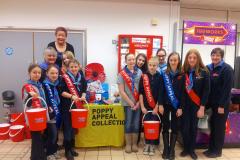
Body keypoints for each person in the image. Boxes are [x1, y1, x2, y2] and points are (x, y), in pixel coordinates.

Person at [203, 48, 234, 158]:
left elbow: (227, 90)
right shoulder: (208, 68)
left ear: (222, 57)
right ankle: (211, 148)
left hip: (221, 105)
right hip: (211, 104)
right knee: (212, 126)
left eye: (217, 56)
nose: (215, 57)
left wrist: (222, 105)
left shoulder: (227, 69)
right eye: (213, 55)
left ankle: (217, 151)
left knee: (219, 128)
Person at [180, 49, 210, 160]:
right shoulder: (183, 72)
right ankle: (186, 148)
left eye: (194, 57)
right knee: (184, 128)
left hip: (196, 106)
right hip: (184, 106)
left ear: (198, 59)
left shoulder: (204, 72)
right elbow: (180, 90)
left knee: (193, 128)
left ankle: (192, 150)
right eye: (190, 57)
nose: (192, 59)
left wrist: (202, 108)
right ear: (187, 59)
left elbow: (206, 91)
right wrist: (180, 106)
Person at [60, 59, 87, 160]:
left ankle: (72, 148)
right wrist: (72, 96)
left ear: (79, 67)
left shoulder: (82, 78)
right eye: (71, 67)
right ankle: (67, 151)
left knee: (74, 128)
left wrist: (83, 96)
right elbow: (61, 92)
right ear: (68, 68)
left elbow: (84, 89)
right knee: (68, 129)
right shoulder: (64, 78)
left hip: (77, 106)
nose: (74, 69)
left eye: (75, 66)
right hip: (67, 106)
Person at [160, 52, 183, 160]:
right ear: (168, 61)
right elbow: (161, 91)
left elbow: (184, 93)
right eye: (171, 60)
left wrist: (180, 107)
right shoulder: (164, 73)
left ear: (178, 61)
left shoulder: (183, 74)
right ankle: (166, 149)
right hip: (165, 104)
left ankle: (172, 150)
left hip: (176, 105)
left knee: (175, 127)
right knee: (165, 126)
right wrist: (160, 104)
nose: (173, 62)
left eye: (175, 60)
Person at [117, 53, 142, 153]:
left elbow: (142, 89)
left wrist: (138, 103)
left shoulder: (139, 72)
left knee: (136, 124)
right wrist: (131, 103)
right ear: (126, 61)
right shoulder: (121, 74)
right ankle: (128, 144)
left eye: (133, 59)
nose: (132, 61)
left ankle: (134, 144)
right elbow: (121, 91)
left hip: (138, 103)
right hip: (128, 103)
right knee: (128, 124)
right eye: (129, 60)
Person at [22, 63, 47, 160]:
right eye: (34, 72)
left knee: (40, 137)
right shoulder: (27, 87)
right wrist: (29, 95)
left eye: (39, 73)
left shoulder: (40, 85)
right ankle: (36, 157)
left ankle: (38, 156)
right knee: (36, 137)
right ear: (29, 73)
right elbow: (26, 103)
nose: (37, 74)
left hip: (41, 115)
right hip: (33, 117)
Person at [139, 57, 163, 156]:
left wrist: (156, 107)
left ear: (157, 66)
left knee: (155, 126)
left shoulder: (160, 77)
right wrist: (142, 106)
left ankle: (152, 145)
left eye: (154, 65)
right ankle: (147, 144)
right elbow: (141, 93)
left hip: (155, 107)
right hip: (145, 106)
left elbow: (161, 93)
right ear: (148, 65)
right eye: (150, 65)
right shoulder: (143, 76)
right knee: (147, 126)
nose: (152, 67)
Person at [42, 65, 62, 160]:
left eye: (56, 73)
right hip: (49, 114)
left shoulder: (55, 84)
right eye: (52, 73)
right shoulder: (44, 85)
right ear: (47, 74)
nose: (54, 75)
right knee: (52, 134)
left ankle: (53, 151)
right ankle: (49, 154)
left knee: (55, 134)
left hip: (56, 112)